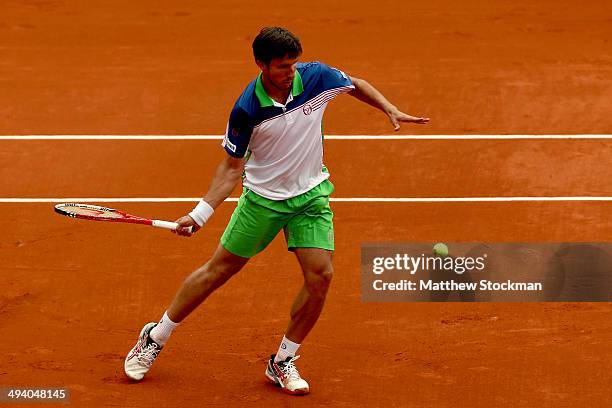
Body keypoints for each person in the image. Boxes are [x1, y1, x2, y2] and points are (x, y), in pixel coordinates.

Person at [124, 26, 429, 395]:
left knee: (321, 276)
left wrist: (388, 107)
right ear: (261, 65)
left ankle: (282, 360)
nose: (291, 72)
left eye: (294, 64)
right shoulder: (247, 110)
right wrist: (201, 212)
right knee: (218, 271)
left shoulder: (316, 76)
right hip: (263, 200)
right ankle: (156, 336)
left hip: (311, 196)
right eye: (283, 67)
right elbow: (231, 168)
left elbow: (355, 83)